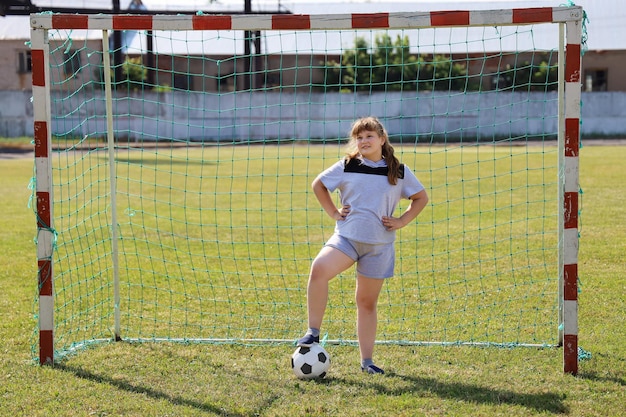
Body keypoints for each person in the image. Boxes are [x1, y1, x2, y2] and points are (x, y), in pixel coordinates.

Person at [297, 116, 429, 374]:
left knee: (366, 302)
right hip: (346, 239)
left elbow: (421, 197)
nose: (363, 141)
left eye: (369, 136)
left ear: (381, 139)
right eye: (359, 137)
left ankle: (367, 362)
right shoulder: (347, 165)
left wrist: (402, 220)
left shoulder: (398, 171)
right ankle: (312, 332)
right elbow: (319, 185)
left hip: (379, 247)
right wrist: (335, 212)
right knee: (319, 269)